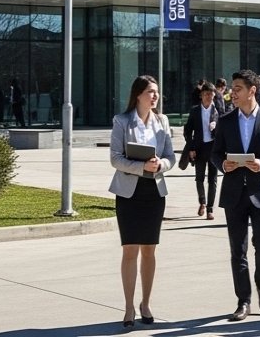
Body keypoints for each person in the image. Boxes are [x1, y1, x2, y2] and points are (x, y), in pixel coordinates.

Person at [211, 69, 260, 322]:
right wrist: (223, 164)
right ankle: (243, 300)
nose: (233, 93)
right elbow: (215, 153)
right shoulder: (226, 121)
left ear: (252, 90)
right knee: (238, 249)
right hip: (234, 193)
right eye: (232, 89)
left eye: (238, 89)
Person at [108, 74, 176, 328]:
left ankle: (145, 303)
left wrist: (160, 165)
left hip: (154, 193)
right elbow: (115, 158)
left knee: (149, 250)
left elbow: (170, 156)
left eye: (156, 92)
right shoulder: (122, 121)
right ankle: (128, 308)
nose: (155, 96)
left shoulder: (162, 121)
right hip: (129, 193)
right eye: (150, 91)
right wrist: (141, 167)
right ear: (138, 95)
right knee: (130, 250)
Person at [184, 81, 222, 220]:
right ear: (201, 95)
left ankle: (210, 209)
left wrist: (216, 128)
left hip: (213, 148)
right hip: (199, 148)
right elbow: (188, 131)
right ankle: (202, 202)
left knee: (213, 179)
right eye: (206, 94)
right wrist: (191, 148)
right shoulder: (195, 111)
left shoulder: (217, 110)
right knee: (199, 178)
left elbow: (224, 130)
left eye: (211, 95)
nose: (208, 97)